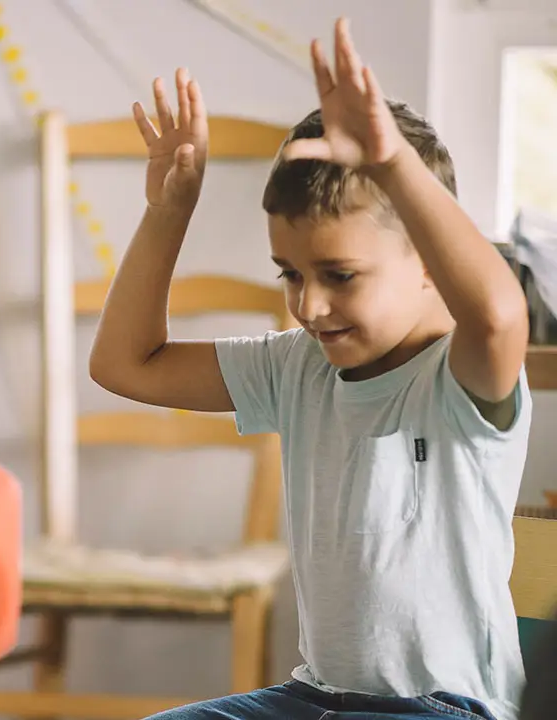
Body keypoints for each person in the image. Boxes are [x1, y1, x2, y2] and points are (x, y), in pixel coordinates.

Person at [89, 17, 533, 720]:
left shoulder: (459, 377)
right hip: (314, 697)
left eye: (339, 274)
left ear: (427, 259)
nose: (310, 305)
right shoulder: (295, 369)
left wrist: (391, 163)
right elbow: (125, 364)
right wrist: (169, 211)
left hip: (444, 708)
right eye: (290, 274)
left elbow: (502, 316)